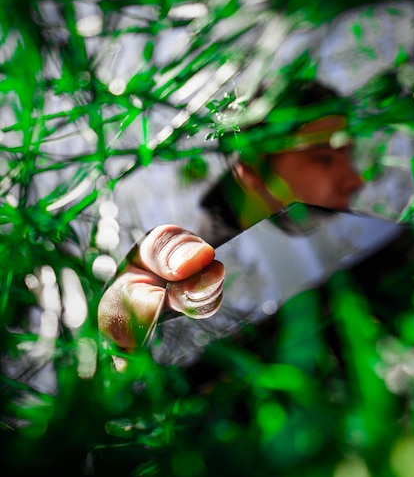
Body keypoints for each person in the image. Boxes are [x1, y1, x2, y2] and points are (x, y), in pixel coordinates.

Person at [97, 82, 364, 353]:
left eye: (349, 154)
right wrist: (119, 333)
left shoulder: (357, 242)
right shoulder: (202, 265)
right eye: (323, 158)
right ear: (251, 168)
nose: (355, 179)